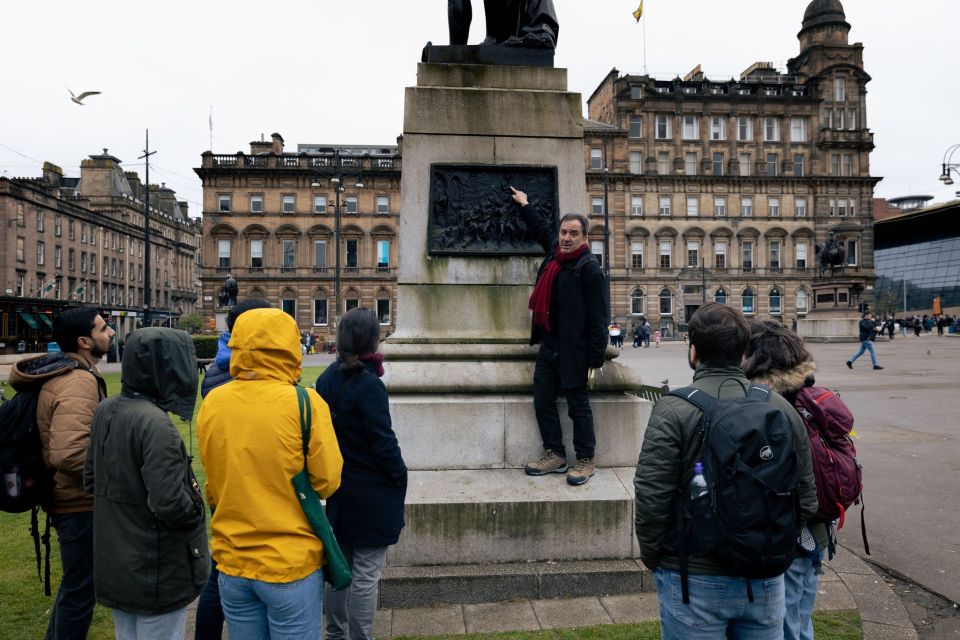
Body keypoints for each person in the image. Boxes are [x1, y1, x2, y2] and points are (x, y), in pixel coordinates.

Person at [633, 302, 818, 640]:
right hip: (763, 575)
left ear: (693, 350)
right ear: (744, 351)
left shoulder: (673, 410)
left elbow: (651, 497)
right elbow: (805, 496)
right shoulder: (777, 405)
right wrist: (772, 546)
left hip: (693, 573)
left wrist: (655, 557)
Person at [198, 308, 343, 639]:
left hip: (232, 561)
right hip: (290, 563)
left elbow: (213, 482)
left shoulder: (213, 402)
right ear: (290, 347)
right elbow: (328, 482)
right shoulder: (306, 403)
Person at [83, 328, 209, 640]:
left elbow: (90, 479)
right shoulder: (155, 424)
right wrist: (195, 510)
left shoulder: (106, 408)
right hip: (155, 567)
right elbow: (170, 504)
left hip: (118, 562)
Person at [9, 307, 111, 640]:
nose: (110, 333)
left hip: (67, 500)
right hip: (78, 504)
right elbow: (70, 453)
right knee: (81, 593)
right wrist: (112, 480)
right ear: (84, 341)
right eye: (103, 328)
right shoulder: (78, 381)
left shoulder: (69, 373)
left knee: (76, 588)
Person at [315, 308, 407, 640]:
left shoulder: (326, 378)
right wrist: (400, 475)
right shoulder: (369, 384)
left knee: (339, 570)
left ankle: (336, 634)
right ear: (369, 339)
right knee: (366, 574)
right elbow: (384, 442)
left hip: (339, 489)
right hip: (371, 491)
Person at [510, 187, 608, 486]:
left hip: (574, 351)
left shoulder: (589, 269)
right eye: (564, 232)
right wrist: (525, 204)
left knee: (578, 407)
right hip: (550, 347)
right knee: (542, 401)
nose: (566, 238)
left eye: (573, 233)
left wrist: (594, 358)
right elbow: (541, 229)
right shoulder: (555, 254)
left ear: (585, 238)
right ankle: (555, 454)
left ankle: (586, 460)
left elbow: (599, 319)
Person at [743, 320, 832, 640]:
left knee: (786, 624)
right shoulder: (811, 393)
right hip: (817, 533)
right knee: (800, 616)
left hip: (788, 535)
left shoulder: (769, 405)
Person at [195, 300, 271, 640]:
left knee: (224, 566)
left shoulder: (219, 366)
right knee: (226, 569)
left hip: (225, 481)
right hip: (245, 481)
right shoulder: (231, 370)